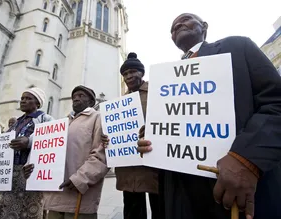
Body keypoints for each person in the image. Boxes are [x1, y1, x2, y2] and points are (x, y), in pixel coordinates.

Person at [137, 13, 281, 219]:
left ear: (204, 26)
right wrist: (150, 138)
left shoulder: (238, 47)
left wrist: (247, 158)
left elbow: (276, 102)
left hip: (238, 198)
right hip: (182, 199)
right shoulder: (165, 79)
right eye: (172, 27)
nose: (177, 25)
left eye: (185, 19)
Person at [23, 85, 109, 219]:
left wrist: (80, 179)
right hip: (54, 199)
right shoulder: (60, 123)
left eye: (81, 96)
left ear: (91, 102)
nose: (76, 99)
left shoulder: (98, 118)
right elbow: (43, 150)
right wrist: (30, 166)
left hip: (80, 198)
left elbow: (101, 155)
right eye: (74, 97)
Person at [101, 53, 159, 219]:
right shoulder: (120, 103)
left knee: (160, 208)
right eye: (125, 74)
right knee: (132, 211)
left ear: (142, 73)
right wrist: (108, 138)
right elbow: (115, 132)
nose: (128, 76)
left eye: (133, 72)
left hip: (153, 165)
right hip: (129, 170)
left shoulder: (157, 92)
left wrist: (152, 129)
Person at [0, 87, 54, 219]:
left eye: (28, 99)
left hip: (28, 173)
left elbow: (51, 137)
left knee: (27, 210)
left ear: (37, 103)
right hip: (9, 173)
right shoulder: (17, 122)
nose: (23, 101)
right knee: (3, 209)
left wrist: (29, 142)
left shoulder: (45, 119)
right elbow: (6, 142)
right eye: (22, 98)